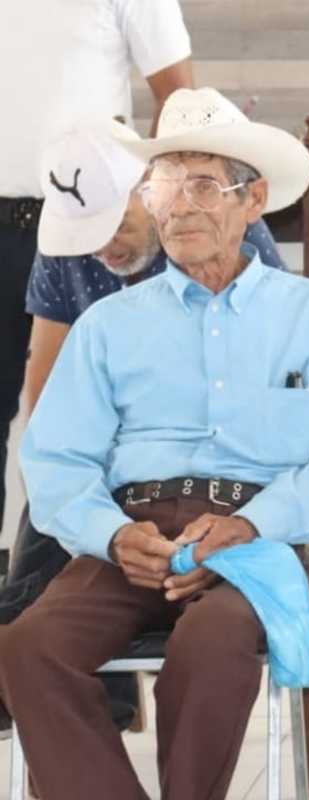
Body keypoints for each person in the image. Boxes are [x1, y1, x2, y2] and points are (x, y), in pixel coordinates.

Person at [0, 88, 309, 800]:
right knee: (26, 646)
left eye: (207, 185)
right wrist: (104, 530)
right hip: (129, 529)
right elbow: (54, 458)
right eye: (169, 184)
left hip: (247, 531)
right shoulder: (109, 324)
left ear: (252, 204)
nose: (183, 205)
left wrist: (253, 520)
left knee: (211, 648)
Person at [0, 122, 287, 745]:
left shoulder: (226, 229)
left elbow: (249, 392)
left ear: (149, 192)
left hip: (211, 465)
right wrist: (77, 479)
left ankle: (39, 688)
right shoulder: (64, 244)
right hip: (112, 455)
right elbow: (47, 397)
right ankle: (70, 717)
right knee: (52, 522)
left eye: (113, 229)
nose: (100, 250)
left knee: (68, 550)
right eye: (86, 236)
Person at [0, 0, 194, 530]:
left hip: (95, 222)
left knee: (92, 419)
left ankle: (76, 573)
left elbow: (177, 98)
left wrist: (144, 202)